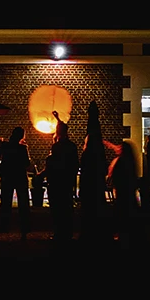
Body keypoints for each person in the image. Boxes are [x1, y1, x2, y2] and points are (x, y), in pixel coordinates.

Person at [0, 127, 32, 240]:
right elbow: (26, 163)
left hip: (7, 176)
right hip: (19, 176)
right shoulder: (22, 148)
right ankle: (24, 227)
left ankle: (3, 225)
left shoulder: (6, 146)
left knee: (5, 201)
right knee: (23, 202)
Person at [45, 117, 79, 245]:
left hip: (56, 182)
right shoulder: (72, 147)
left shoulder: (58, 147)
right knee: (66, 208)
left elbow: (52, 164)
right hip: (66, 182)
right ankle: (67, 233)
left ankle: (59, 233)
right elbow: (75, 165)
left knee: (57, 209)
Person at [78, 102, 107, 244]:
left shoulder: (88, 154)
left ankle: (88, 232)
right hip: (97, 184)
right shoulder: (99, 152)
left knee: (88, 209)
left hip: (90, 185)